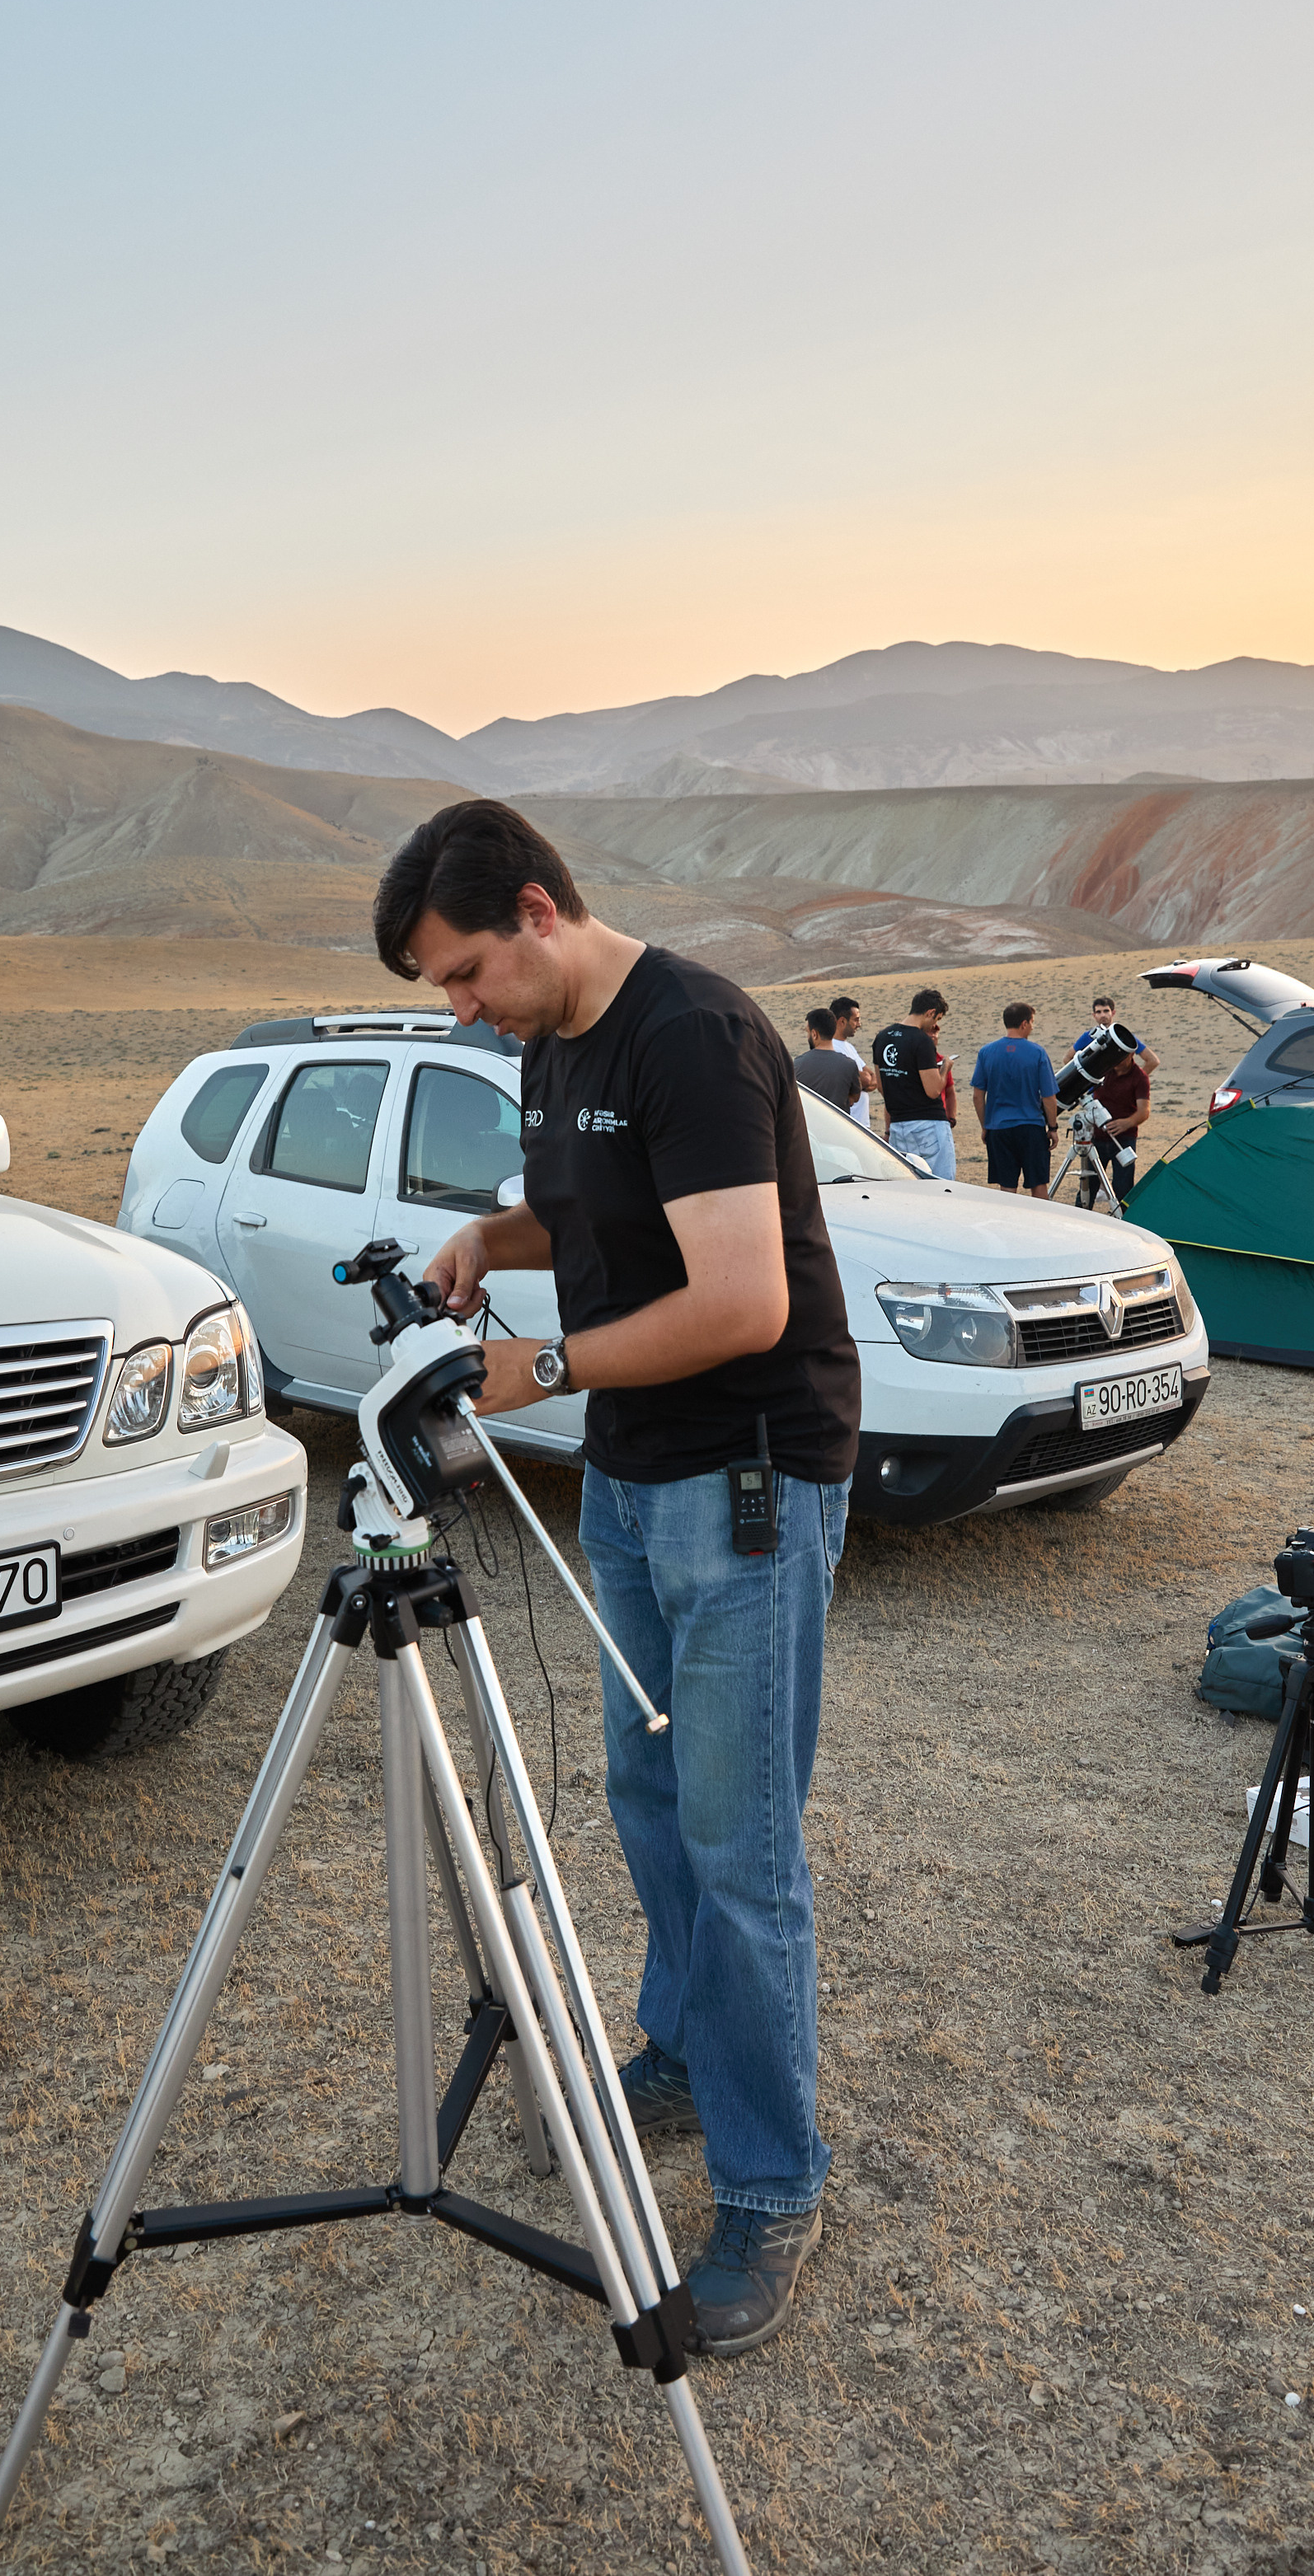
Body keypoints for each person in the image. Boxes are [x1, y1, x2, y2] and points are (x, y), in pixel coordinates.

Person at [371, 800, 858, 2356]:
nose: (463, 1010)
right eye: (442, 990)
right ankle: (686, 2055)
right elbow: (598, 1207)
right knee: (650, 1800)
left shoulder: (690, 1035)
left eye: (465, 973)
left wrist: (544, 1367)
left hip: (746, 1483)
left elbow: (740, 1298)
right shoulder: (552, 1044)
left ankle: (773, 2182)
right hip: (634, 1485)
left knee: (738, 1843)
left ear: (535, 909)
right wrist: (490, 1238)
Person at [971, 1002, 1059, 1195]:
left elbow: (978, 1096)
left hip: (999, 1128)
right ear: (1024, 1024)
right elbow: (1048, 1097)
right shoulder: (1037, 1052)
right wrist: (1052, 1127)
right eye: (1032, 1022)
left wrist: (985, 1126)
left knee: (1007, 1187)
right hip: (1031, 1127)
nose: (1032, 1027)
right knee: (1038, 1184)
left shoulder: (986, 1052)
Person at [870, 989, 955, 1178]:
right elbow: (933, 1090)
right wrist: (945, 1068)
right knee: (942, 1186)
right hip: (928, 1125)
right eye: (937, 1019)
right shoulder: (921, 1041)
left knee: (908, 1187)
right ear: (930, 1013)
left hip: (898, 1127)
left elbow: (882, 1086)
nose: (935, 1026)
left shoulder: (882, 1037)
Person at [1091, 1042, 1151, 1201]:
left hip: (1124, 1140)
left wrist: (1127, 1123)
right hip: (1097, 1137)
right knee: (1089, 1186)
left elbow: (1144, 1111)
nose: (1116, 1060)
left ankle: (1123, 1216)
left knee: (1123, 1188)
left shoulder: (1140, 1078)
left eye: (1121, 1057)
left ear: (1132, 1055)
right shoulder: (1103, 1069)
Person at [1075, 995, 1158, 1081]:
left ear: (1113, 1013)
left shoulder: (1124, 1037)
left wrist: (1133, 1081)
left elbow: (1153, 1061)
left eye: (1106, 1011)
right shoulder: (1088, 1036)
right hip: (1095, 1087)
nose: (1103, 1015)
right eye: (1099, 1012)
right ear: (1094, 1015)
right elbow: (1069, 1058)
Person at [794, 1006, 858, 1110]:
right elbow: (855, 1098)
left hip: (810, 1119)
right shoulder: (849, 1065)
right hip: (838, 1120)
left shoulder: (798, 1064)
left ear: (814, 1034)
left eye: (808, 1032)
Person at [828, 996, 877, 1129]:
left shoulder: (849, 1047)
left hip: (862, 1124)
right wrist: (861, 1083)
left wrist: (856, 1085)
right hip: (849, 1125)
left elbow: (873, 1079)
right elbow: (866, 1080)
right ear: (842, 1021)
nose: (859, 1024)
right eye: (856, 1020)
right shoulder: (832, 1047)